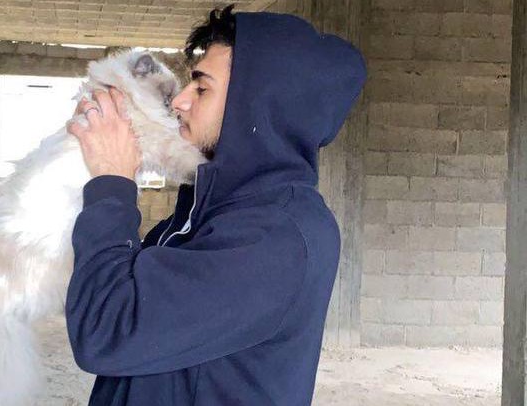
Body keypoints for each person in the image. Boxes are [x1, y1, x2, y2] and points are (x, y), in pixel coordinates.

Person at [65, 5, 367, 405]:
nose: (179, 101)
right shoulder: (215, 209)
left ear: (255, 104)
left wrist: (111, 183)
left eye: (201, 88)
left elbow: (106, 330)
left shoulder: (275, 237)